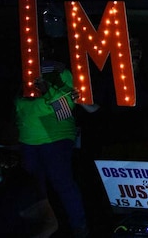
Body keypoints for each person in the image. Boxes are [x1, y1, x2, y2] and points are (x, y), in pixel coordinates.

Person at [14, 36, 99, 238]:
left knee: (62, 183)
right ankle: (41, 229)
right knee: (35, 191)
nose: (36, 52)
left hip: (55, 137)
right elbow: (19, 107)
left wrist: (46, 91)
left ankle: (80, 229)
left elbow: (66, 106)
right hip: (28, 139)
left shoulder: (59, 70)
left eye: (40, 47)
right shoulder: (22, 73)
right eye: (32, 48)